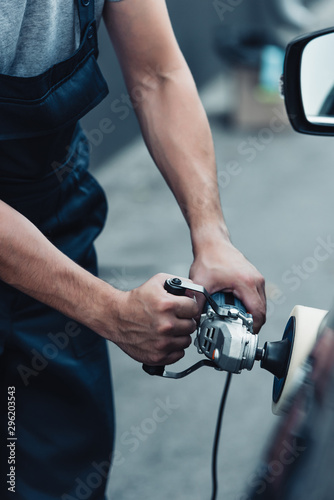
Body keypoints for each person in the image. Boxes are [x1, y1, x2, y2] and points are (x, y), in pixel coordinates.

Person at [0, 1, 266, 499]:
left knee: (57, 475)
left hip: (55, 214)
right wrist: (109, 310)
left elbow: (158, 74)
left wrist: (212, 235)